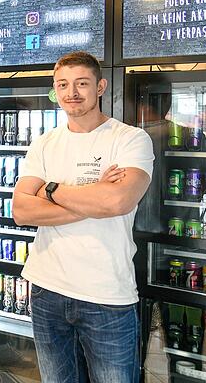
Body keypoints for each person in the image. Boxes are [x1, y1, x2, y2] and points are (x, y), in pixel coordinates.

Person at [12, 51, 154, 383]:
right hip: (47, 288)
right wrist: (93, 197)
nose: (71, 92)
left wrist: (49, 189)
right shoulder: (44, 144)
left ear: (100, 86)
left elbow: (117, 201)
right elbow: (21, 211)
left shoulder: (130, 139)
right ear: (55, 89)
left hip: (107, 294)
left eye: (81, 83)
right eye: (62, 85)